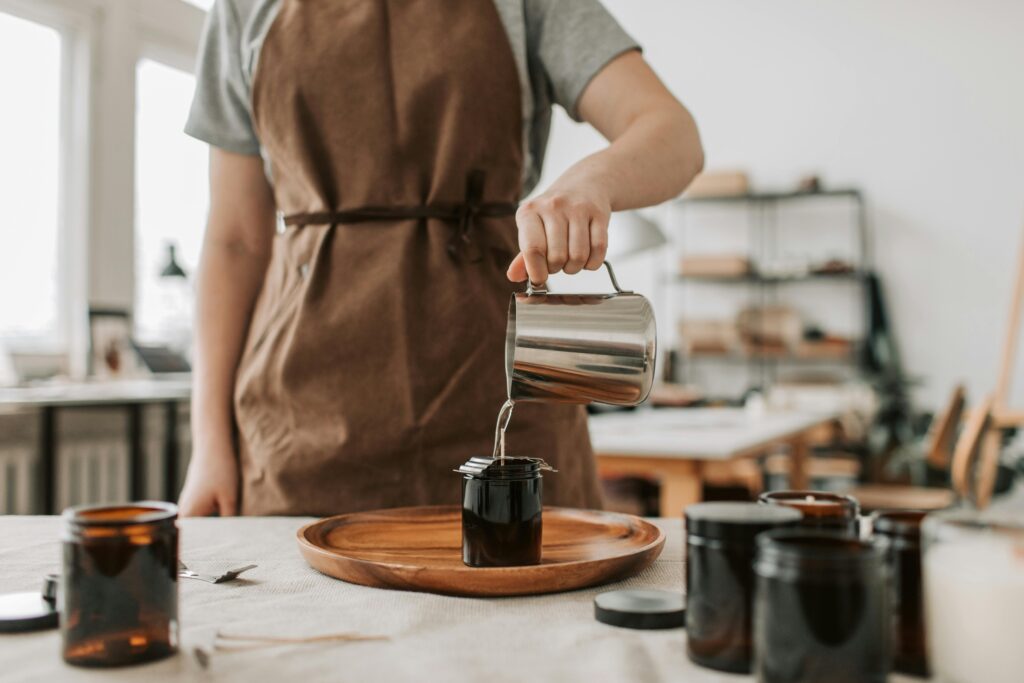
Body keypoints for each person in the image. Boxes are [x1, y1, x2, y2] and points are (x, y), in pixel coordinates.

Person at [179, 0, 703, 517]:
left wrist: (595, 180)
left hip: (503, 396)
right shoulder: (243, 10)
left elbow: (672, 132)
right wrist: (208, 443)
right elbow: (235, 241)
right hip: (301, 420)